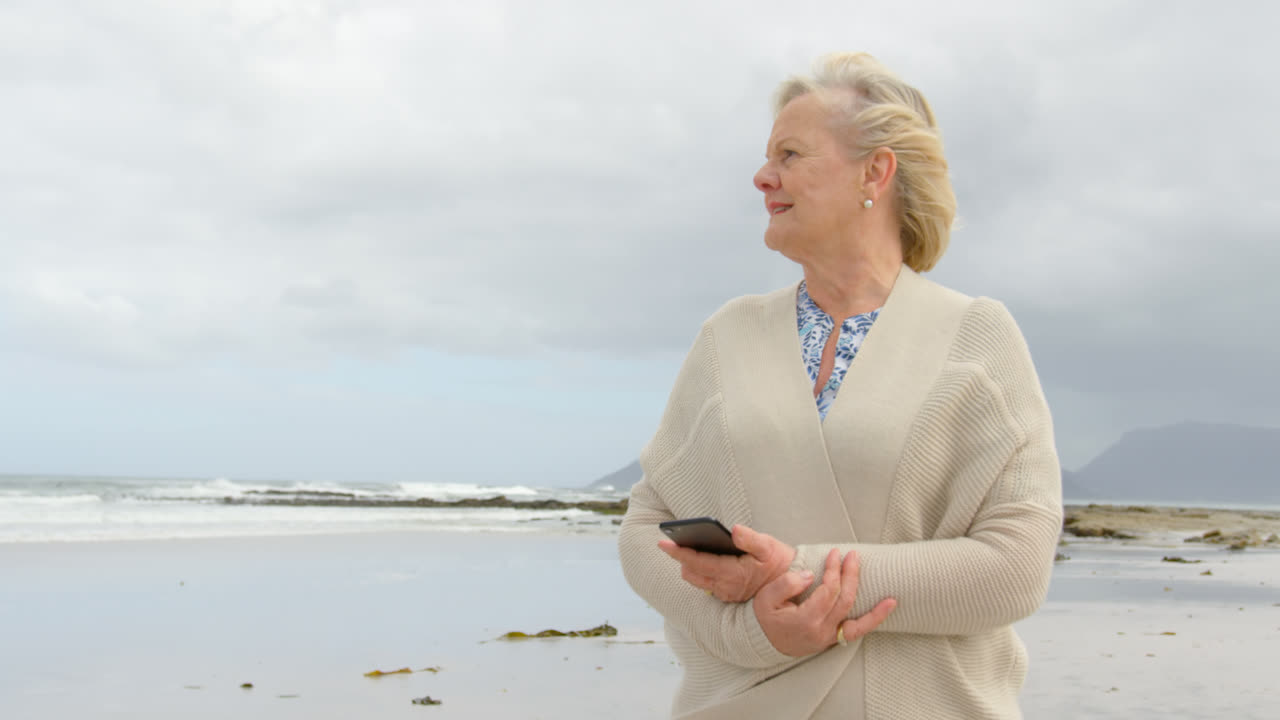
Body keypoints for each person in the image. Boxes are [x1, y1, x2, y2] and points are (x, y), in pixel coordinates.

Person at [618, 52, 1063, 720]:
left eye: (790, 154)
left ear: (875, 171)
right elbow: (644, 528)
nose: (763, 177)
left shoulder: (977, 337)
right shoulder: (728, 335)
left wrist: (796, 572)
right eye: (768, 158)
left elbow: (1015, 568)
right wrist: (752, 631)